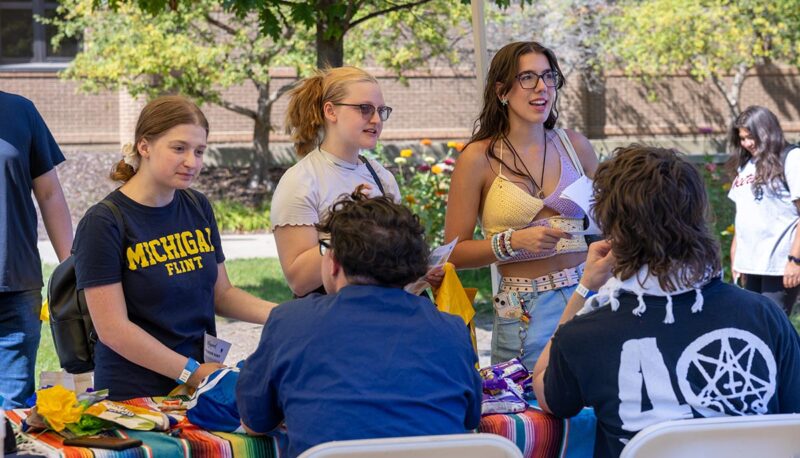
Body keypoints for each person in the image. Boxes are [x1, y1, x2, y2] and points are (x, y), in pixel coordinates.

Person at [531, 145, 800, 458]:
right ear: (699, 218)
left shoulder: (584, 335)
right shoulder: (765, 316)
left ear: (613, 231)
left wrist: (585, 288)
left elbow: (547, 393)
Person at [237, 189, 482, 458]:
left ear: (333, 263)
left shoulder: (290, 321)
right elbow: (470, 418)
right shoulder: (450, 329)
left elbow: (254, 423)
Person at [73, 96, 277, 401]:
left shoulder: (197, 205)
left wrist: (284, 315)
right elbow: (113, 330)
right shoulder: (104, 222)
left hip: (199, 389)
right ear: (144, 146)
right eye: (179, 148)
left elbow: (222, 294)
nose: (192, 162)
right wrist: (193, 372)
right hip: (136, 397)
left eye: (199, 151)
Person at [444, 41, 599, 369]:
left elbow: (611, 224)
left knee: (592, 404)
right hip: (521, 306)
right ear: (502, 91)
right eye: (527, 77)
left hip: (585, 294)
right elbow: (453, 253)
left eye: (548, 76)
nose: (541, 87)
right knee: (525, 408)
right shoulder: (478, 159)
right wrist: (510, 243)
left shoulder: (576, 146)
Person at [271, 66, 402, 297]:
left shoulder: (382, 177)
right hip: (328, 317)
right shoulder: (300, 181)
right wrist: (355, 227)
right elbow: (299, 281)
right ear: (330, 111)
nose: (376, 119)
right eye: (364, 109)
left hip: (381, 311)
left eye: (381, 110)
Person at [0, 92, 72, 409]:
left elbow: (49, 193)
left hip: (17, 287)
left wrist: (71, 268)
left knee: (12, 411)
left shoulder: (20, 111)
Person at [727, 105, 800, 316]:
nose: (747, 143)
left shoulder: (791, 158)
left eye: (751, 137)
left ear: (768, 131)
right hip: (750, 264)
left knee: (772, 326)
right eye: (742, 138)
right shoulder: (746, 165)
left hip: (779, 264)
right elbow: (743, 214)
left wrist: (795, 260)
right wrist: (737, 258)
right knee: (754, 326)